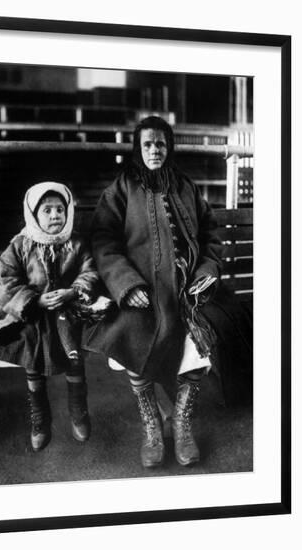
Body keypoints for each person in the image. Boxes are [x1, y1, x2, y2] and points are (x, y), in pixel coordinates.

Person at [85, 116, 222, 468]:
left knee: (205, 338)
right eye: (147, 144)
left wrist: (207, 270)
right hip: (143, 291)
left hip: (190, 292)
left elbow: (211, 236)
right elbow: (103, 240)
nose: (155, 150)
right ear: (138, 147)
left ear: (169, 146)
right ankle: (152, 425)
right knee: (133, 334)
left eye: (161, 144)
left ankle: (181, 421)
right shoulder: (121, 188)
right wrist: (125, 284)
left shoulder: (186, 185)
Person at [0, 182, 101, 452]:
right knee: (33, 361)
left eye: (60, 209)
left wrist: (74, 291)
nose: (55, 215)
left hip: (68, 312)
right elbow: (6, 281)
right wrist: (34, 300)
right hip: (32, 316)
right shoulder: (20, 245)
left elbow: (90, 271)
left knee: (74, 359)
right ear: (33, 215)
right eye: (46, 210)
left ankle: (78, 410)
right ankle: (40, 418)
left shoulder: (77, 242)